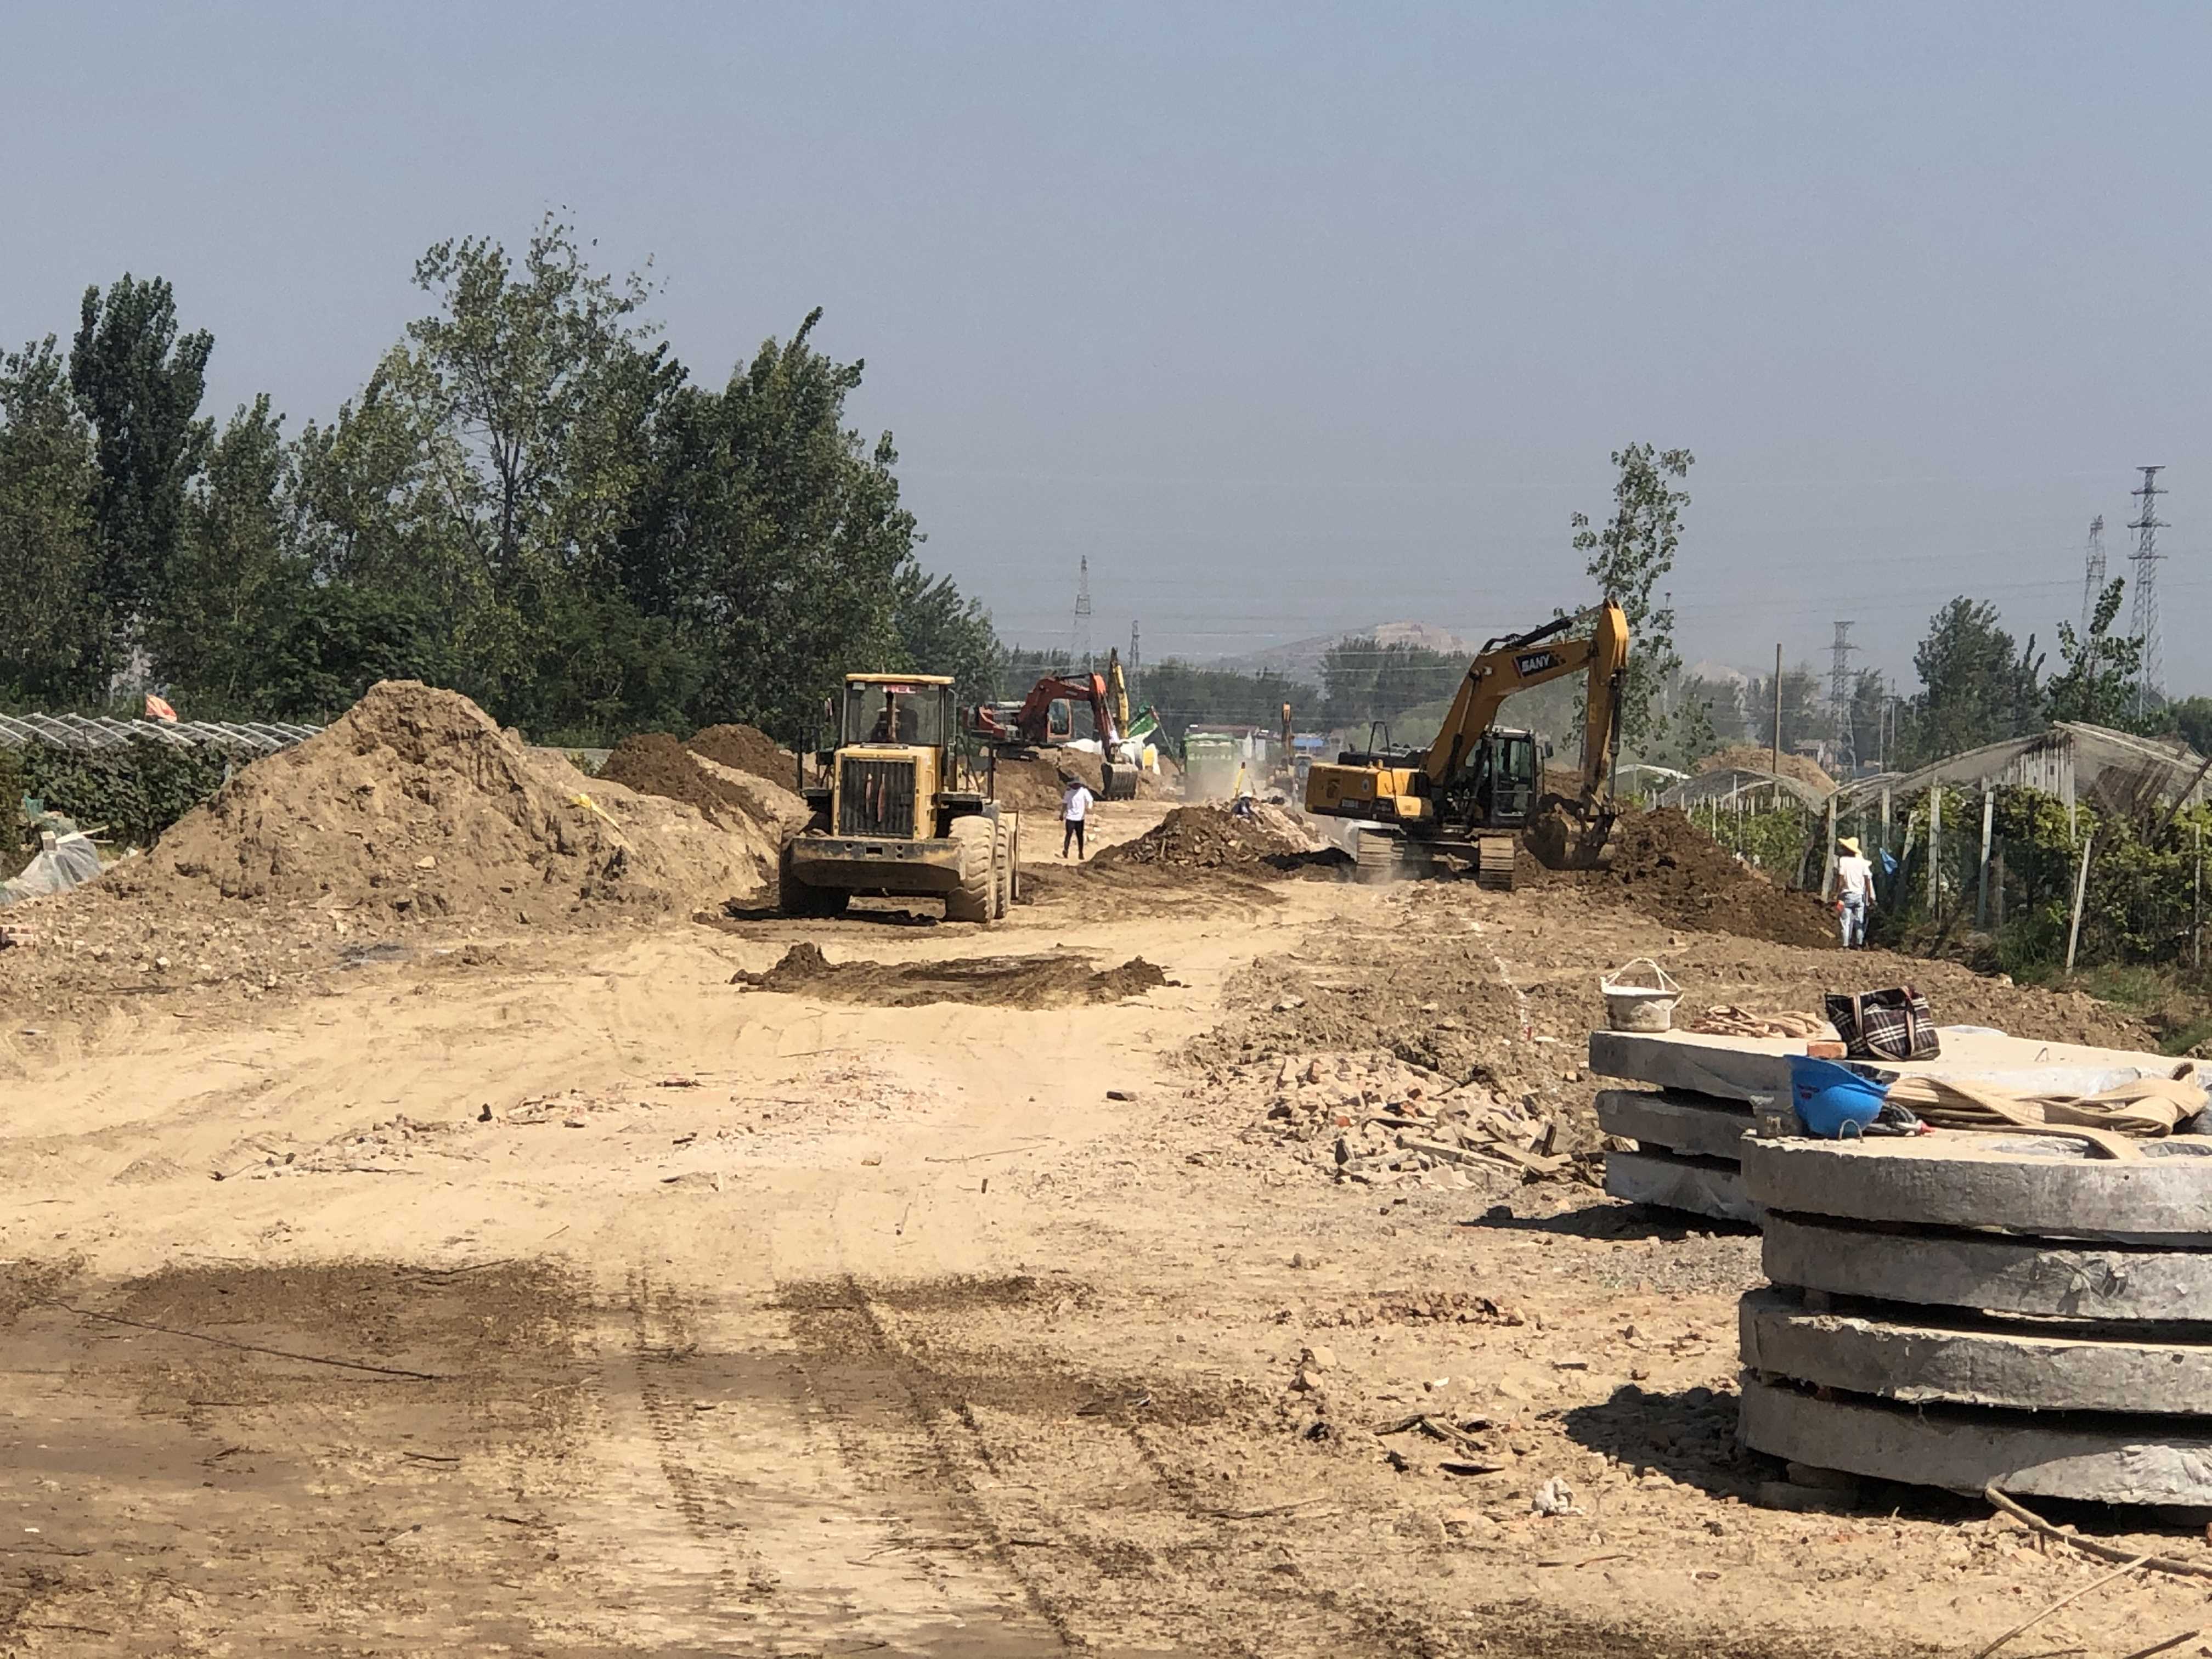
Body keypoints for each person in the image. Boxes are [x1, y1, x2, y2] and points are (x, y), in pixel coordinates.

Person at [1835, 834, 1875, 949]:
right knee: (1859, 920)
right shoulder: (1862, 863)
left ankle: (1845, 945)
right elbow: (1867, 880)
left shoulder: (1843, 861)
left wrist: (1837, 893)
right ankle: (1859, 944)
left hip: (1847, 894)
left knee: (1846, 921)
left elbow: (1841, 880)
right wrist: (1870, 896)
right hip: (1859, 896)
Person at [1060, 773, 1094, 859]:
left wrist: (1089, 807)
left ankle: (1080, 853)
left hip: (1079, 818)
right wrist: (1062, 814)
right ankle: (1066, 850)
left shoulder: (1083, 791)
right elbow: (1064, 804)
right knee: (1070, 835)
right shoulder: (1069, 793)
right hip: (1071, 817)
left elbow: (1090, 800)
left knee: (1078, 836)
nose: (1075, 786)